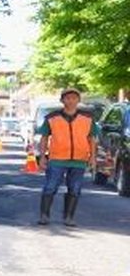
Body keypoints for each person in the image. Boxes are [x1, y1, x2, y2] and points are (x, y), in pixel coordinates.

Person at [37, 87, 99, 227]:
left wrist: (93, 158)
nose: (71, 101)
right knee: (50, 187)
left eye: (74, 98)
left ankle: (69, 217)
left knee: (75, 189)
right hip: (57, 158)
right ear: (62, 100)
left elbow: (92, 139)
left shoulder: (87, 119)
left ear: (78, 100)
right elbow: (44, 138)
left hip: (79, 159)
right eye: (67, 98)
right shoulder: (52, 118)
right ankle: (44, 215)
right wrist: (42, 157)